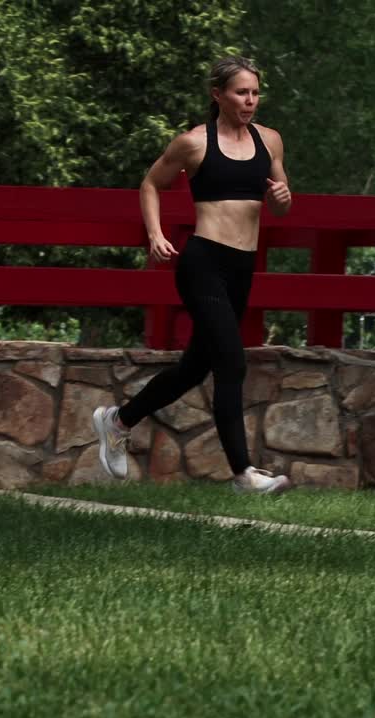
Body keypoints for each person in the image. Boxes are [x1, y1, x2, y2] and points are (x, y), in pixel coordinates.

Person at [92, 56, 293, 495]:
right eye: (241, 92)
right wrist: (155, 233)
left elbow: (280, 206)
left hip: (243, 267)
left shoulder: (270, 141)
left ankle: (118, 421)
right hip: (203, 263)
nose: (250, 100)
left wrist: (282, 195)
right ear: (217, 95)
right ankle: (243, 474)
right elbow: (150, 183)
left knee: (192, 370)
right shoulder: (194, 144)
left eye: (255, 93)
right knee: (232, 363)